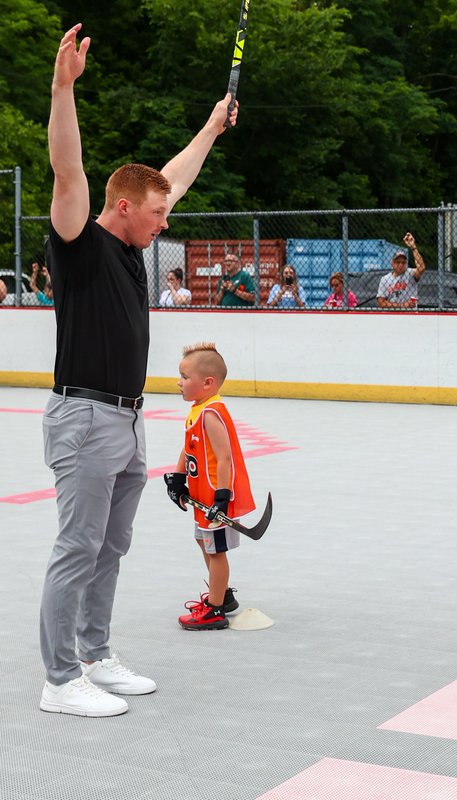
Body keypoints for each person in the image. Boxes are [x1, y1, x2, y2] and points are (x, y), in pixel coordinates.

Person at [39, 23, 236, 717]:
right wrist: (62, 89)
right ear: (121, 207)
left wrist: (211, 126)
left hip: (125, 418)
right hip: (84, 416)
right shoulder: (80, 245)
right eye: (156, 214)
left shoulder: (132, 246)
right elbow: (68, 172)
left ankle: (95, 655)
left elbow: (173, 177)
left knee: (110, 547)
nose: (165, 222)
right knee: (78, 547)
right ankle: (60, 678)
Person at [164, 343, 255, 631]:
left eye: (184, 377)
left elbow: (225, 457)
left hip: (214, 495)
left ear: (207, 383)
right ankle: (222, 594)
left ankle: (215, 609)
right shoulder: (198, 409)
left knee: (215, 550)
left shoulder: (212, 413)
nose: (179, 382)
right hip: (200, 494)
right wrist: (178, 477)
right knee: (202, 541)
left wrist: (222, 497)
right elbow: (189, 445)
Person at [376, 232, 427, 309]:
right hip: (392, 314)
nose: (401, 265)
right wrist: (401, 306)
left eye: (403, 262)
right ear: (392, 263)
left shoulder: (410, 273)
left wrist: (413, 247)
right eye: (398, 262)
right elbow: (381, 303)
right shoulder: (385, 279)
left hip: (410, 313)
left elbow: (421, 267)